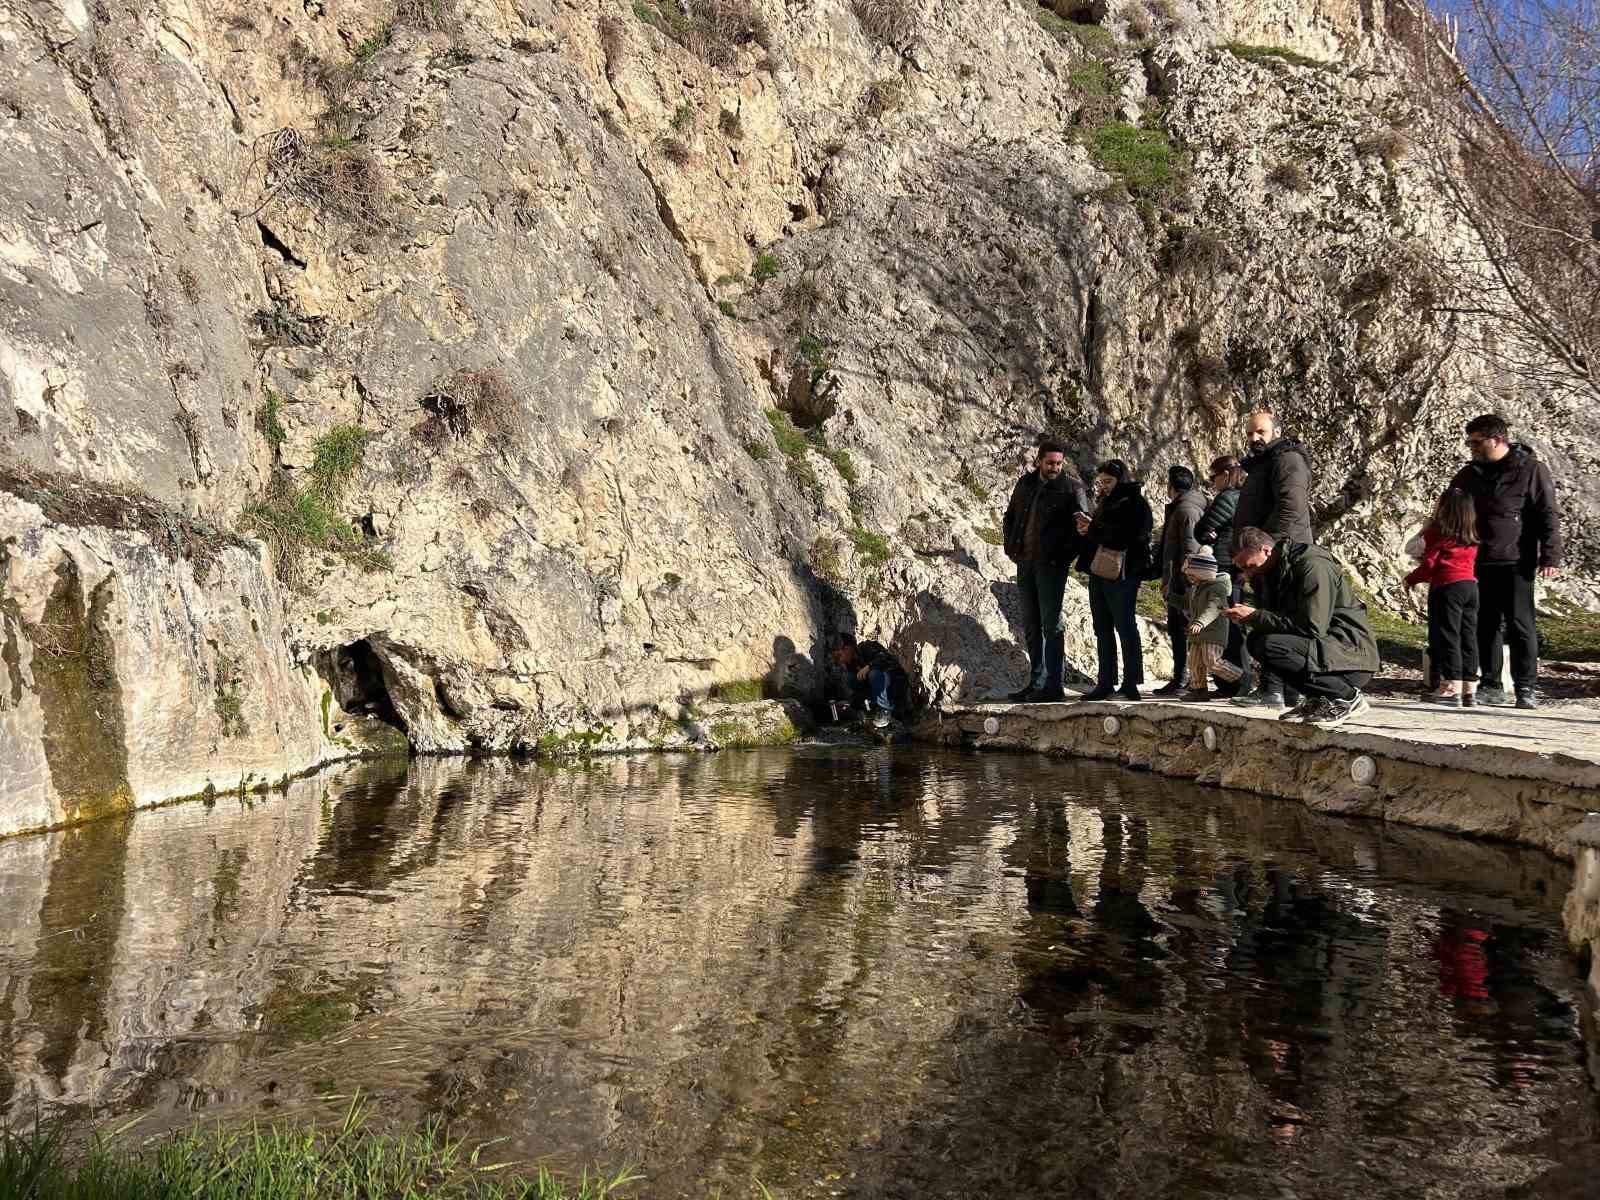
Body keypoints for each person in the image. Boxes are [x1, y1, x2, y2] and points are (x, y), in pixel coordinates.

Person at [1447, 414, 1562, 709]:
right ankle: (1491, 684)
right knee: (1484, 625)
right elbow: (1449, 510)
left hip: (1516, 560)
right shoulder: (1469, 474)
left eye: (1476, 441)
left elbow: (1547, 513)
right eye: (1469, 441)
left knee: (1521, 625)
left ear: (1497, 439)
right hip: (1475, 560)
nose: (1470, 447)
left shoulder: (1531, 470)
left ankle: (1526, 687)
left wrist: (1550, 554)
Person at [1226, 525, 1380, 728]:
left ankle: (1348, 697)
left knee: (1270, 645)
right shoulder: (1274, 572)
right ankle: (1319, 698)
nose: (1246, 575)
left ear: (1266, 550)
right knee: (1257, 640)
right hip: (1326, 652)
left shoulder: (1313, 566)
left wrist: (1256, 616)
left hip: (1350, 656)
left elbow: (1312, 627)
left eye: (1248, 566)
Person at [1232, 410, 1314, 710]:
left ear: (1275, 431)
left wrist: (1263, 550)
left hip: (1280, 555)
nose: (1254, 439)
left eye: (1261, 433)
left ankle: (1274, 689)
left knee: (1275, 620)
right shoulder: (1263, 464)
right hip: (1269, 556)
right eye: (1251, 433)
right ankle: (1283, 690)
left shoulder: (1286, 460)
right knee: (1271, 617)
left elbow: (1290, 509)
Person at [1002, 437, 1091, 703]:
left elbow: (1082, 528)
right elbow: (1010, 516)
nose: (1054, 468)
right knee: (1030, 624)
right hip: (1025, 561)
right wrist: (1010, 545)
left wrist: (1063, 555)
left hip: (1051, 565)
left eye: (1059, 463)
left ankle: (1054, 684)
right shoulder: (1025, 483)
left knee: (1051, 624)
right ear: (1039, 460)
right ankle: (1036, 681)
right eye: (1050, 462)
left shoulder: (1072, 489)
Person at [1074, 460, 1154, 702]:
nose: (1104, 486)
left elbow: (1129, 537)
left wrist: (1093, 528)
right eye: (1101, 482)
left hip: (1123, 574)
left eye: (1108, 481)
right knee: (1102, 628)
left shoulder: (1135, 503)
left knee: (1125, 626)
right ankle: (1105, 682)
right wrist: (1087, 529)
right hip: (1100, 571)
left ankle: (1130, 684)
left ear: (1121, 480)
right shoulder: (1107, 501)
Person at [1404, 488, 1480, 707]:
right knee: (1468, 637)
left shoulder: (1437, 531)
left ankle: (1450, 688)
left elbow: (1423, 560)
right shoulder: (1470, 534)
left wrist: (1410, 579)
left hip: (1447, 587)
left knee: (1449, 636)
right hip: (1470, 586)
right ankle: (1469, 690)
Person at [1152, 465, 1207, 697]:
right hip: (1180, 578)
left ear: (1170, 486)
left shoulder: (1185, 510)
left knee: (1183, 630)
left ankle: (1187, 679)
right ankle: (1182, 677)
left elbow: (1191, 548)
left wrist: (1187, 582)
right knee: (1178, 630)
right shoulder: (1185, 507)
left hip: (1183, 582)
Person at [1196, 454, 1247, 690]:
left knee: (1225, 626)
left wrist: (1208, 534)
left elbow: (1202, 528)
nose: (1212, 482)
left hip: (1223, 566)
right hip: (1235, 566)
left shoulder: (1227, 497)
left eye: (1213, 477)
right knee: (1233, 623)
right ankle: (1234, 682)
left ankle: (1236, 682)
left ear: (1225, 475)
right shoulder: (1246, 497)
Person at [1179, 548, 1245, 701]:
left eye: (1191, 575)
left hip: (1213, 632)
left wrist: (1200, 622)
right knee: (1194, 662)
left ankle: (1242, 678)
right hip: (1197, 634)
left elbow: (1214, 607)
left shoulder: (1218, 587)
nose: (1189, 578)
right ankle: (1199, 690)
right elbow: (1185, 603)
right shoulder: (1195, 589)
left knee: (1212, 661)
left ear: (1202, 573)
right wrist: (1171, 597)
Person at [832, 632, 909, 728]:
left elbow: (884, 658)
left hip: (895, 685)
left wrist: (869, 667)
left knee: (873, 674)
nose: (841, 660)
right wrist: (851, 704)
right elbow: (861, 689)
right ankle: (871, 709)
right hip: (878, 692)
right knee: (850, 678)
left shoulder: (868, 647)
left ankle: (885, 711)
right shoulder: (852, 663)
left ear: (847, 649)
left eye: (839, 656)